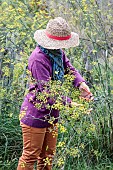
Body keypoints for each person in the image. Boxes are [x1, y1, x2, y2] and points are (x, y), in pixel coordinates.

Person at [17, 17, 93, 170]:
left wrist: (81, 84)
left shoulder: (57, 53)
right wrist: (70, 103)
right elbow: (47, 92)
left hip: (52, 114)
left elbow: (69, 68)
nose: (61, 47)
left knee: (47, 156)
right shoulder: (38, 59)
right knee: (31, 155)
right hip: (35, 114)